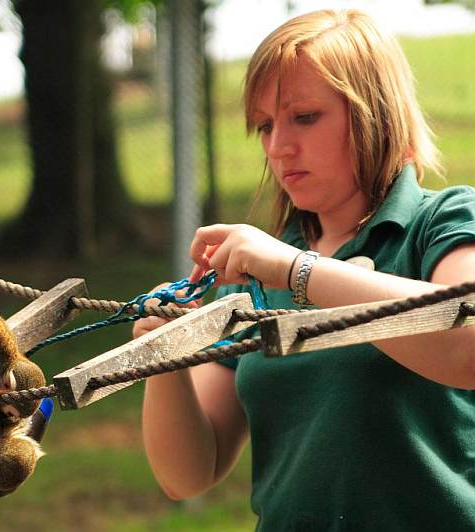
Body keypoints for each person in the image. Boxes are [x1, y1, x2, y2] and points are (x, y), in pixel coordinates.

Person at [136, 9, 475, 531]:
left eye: (305, 117)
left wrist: (297, 270)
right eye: (266, 126)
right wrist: (165, 357)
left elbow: (466, 343)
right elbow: (187, 474)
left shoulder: (442, 221)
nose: (278, 147)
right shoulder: (259, 271)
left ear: (375, 115)